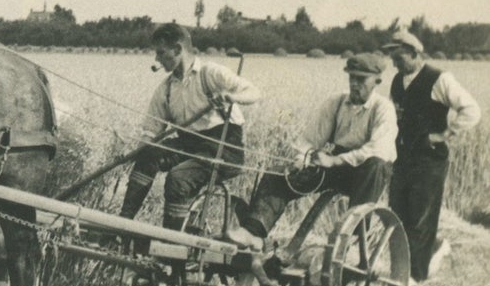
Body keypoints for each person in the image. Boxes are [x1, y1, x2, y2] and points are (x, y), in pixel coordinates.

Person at [227, 53, 397, 250]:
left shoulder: (383, 108)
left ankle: (354, 243)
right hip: (336, 169)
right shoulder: (336, 102)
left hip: (368, 171)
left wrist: (335, 161)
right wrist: (302, 158)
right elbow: (309, 140)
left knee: (375, 165)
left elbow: (378, 149)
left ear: (377, 81)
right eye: (352, 77)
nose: (354, 84)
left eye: (361, 79)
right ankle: (253, 233)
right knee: (278, 175)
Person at [116, 23, 261, 234]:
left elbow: (254, 92)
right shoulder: (166, 89)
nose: (156, 59)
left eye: (161, 53)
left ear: (177, 49)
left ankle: (170, 242)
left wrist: (231, 97)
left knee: (178, 178)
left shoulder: (210, 73)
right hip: (189, 145)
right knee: (148, 154)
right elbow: (151, 131)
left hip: (223, 149)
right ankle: (122, 225)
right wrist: (136, 151)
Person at [383, 29, 481, 282]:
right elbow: (393, 117)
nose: (394, 63)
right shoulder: (397, 82)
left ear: (414, 53)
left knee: (420, 217)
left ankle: (415, 277)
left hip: (429, 159)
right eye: (392, 58)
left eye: (399, 58)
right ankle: (416, 260)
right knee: (398, 213)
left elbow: (471, 110)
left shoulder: (439, 79)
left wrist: (444, 134)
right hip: (403, 158)